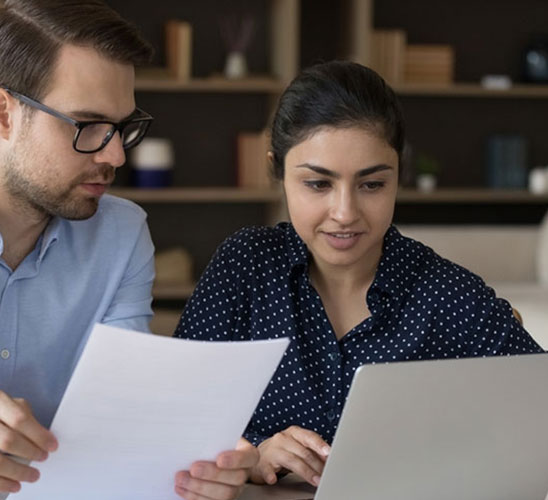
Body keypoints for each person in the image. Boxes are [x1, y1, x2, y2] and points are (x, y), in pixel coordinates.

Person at [0, 1, 256, 498]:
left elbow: (126, 421)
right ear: (1, 113)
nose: (115, 155)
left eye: (122, 127)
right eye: (87, 126)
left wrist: (198, 461)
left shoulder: (122, 236)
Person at [174, 60, 544, 488]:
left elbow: (537, 408)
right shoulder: (246, 266)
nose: (345, 214)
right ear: (278, 171)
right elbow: (176, 421)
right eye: (318, 184)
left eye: (372, 185)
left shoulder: (447, 292)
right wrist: (251, 455)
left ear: (398, 176)